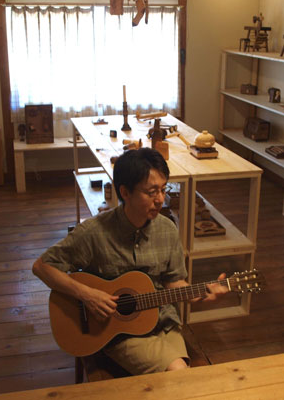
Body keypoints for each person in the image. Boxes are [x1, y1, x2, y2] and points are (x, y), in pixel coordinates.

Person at [32, 148, 228, 375]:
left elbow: (174, 281)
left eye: (163, 189)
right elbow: (42, 267)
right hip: (117, 331)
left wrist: (202, 294)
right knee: (178, 372)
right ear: (125, 192)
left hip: (164, 323)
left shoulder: (167, 229)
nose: (160, 199)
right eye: (151, 192)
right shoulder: (94, 232)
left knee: (181, 375)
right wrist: (87, 295)